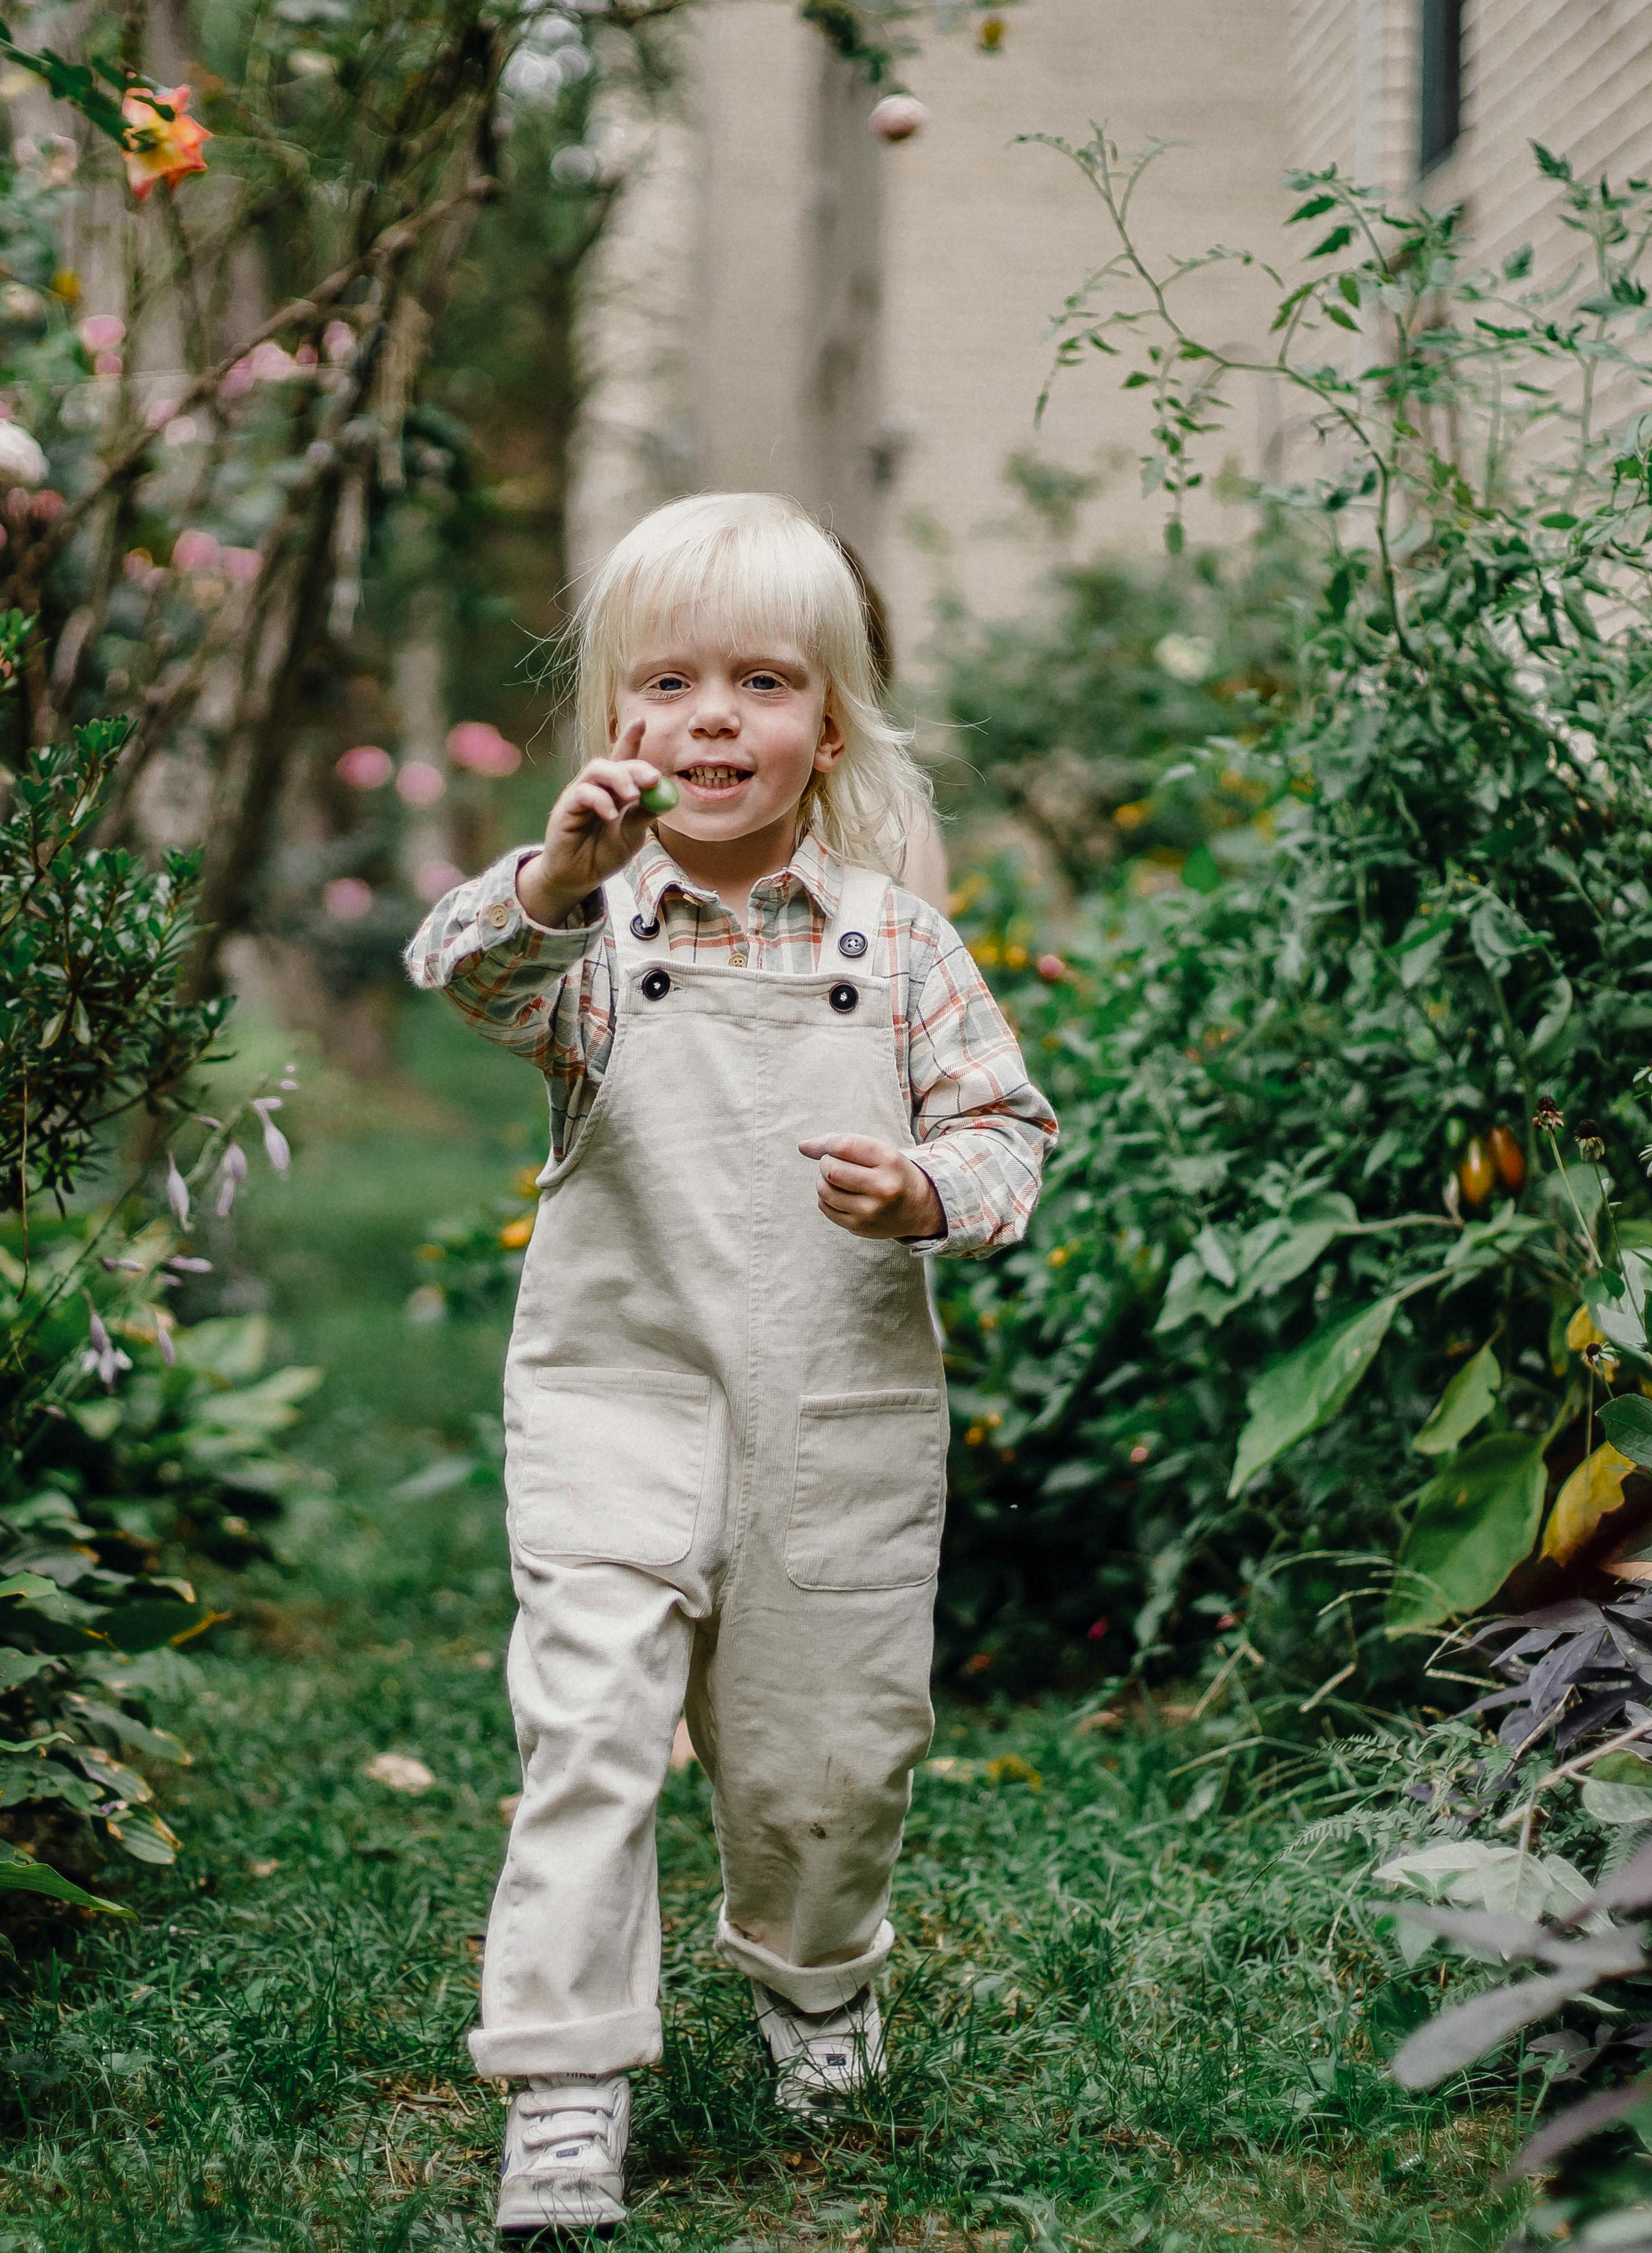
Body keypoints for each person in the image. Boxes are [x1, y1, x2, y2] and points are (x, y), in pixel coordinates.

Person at [405, 492, 1056, 2234]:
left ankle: (819, 1985)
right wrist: (554, 875)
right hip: (621, 1397)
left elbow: (1010, 1133)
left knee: (824, 1755)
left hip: (833, 1414)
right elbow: (456, 968)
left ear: (823, 725)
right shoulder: (584, 935)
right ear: (620, 722)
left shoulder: (894, 943)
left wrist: (927, 1187)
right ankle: (564, 2085)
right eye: (669, 682)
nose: (712, 718)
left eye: (761, 682)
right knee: (592, 1730)